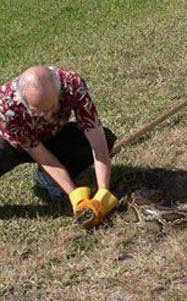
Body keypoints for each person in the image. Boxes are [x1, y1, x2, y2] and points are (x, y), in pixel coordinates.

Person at [0, 65, 119, 228]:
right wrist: (75, 196)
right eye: (38, 112)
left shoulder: (73, 85)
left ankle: (46, 178)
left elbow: (98, 142)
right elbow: (42, 156)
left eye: (51, 108)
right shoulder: (6, 106)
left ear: (59, 90)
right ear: (23, 100)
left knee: (105, 138)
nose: (47, 116)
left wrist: (103, 192)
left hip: (53, 135)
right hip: (12, 145)